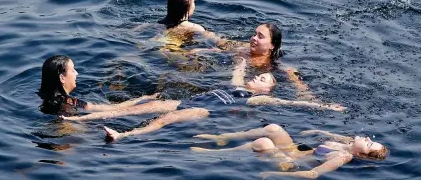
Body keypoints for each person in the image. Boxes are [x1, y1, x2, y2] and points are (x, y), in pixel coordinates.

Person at [99, 57, 345, 141]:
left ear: (266, 91)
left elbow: (292, 103)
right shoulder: (238, 84)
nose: (258, 78)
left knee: (166, 118)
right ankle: (85, 116)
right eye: (259, 75)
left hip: (203, 111)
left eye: (264, 80)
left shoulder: (256, 100)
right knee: (146, 106)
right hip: (190, 100)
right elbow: (239, 67)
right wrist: (241, 59)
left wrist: (324, 106)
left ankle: (123, 136)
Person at [38, 55, 206, 120]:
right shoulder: (69, 104)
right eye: (73, 70)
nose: (77, 73)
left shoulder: (49, 100)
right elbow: (110, 109)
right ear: (62, 77)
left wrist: (143, 99)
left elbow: (106, 108)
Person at [191, 124, 388, 179]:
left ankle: (211, 154)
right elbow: (328, 133)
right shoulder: (348, 143)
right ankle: (221, 138)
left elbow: (312, 174)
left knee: (264, 143)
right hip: (294, 152)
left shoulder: (342, 156)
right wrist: (315, 131)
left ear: (361, 155)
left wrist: (273, 174)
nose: (369, 139)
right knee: (273, 129)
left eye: (370, 145)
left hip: (291, 165)